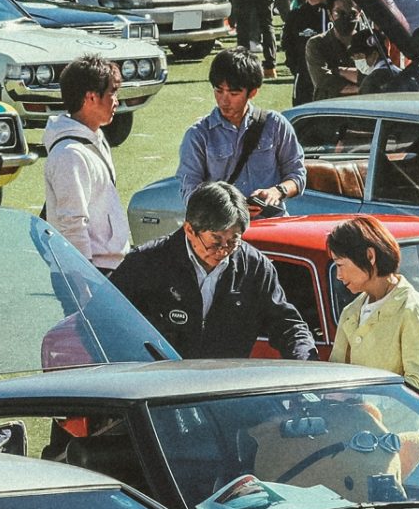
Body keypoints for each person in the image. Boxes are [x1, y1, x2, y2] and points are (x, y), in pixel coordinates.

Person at [111, 182, 314, 360]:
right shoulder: (146, 263)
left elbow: (287, 324)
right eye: (215, 241)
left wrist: (305, 358)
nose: (224, 250)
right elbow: (107, 319)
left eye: (234, 241)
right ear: (189, 230)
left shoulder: (255, 267)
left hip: (220, 388)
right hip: (158, 386)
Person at [178, 49, 305, 214]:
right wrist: (232, 209)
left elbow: (297, 175)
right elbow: (190, 193)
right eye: (218, 91)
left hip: (272, 224)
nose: (224, 100)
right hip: (224, 232)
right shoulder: (198, 134)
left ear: (252, 92)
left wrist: (277, 192)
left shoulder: (275, 124)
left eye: (233, 93)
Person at [327, 216, 419, 396]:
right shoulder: (350, 312)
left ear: (370, 256)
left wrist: (369, 406)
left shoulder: (412, 308)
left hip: (401, 424)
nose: (339, 276)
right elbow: (334, 378)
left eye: (340, 265)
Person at [43, 58, 128, 271]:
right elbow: (72, 223)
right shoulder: (70, 155)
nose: (116, 101)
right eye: (112, 93)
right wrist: (84, 280)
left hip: (107, 265)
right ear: (90, 97)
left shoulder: (95, 138)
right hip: (92, 271)